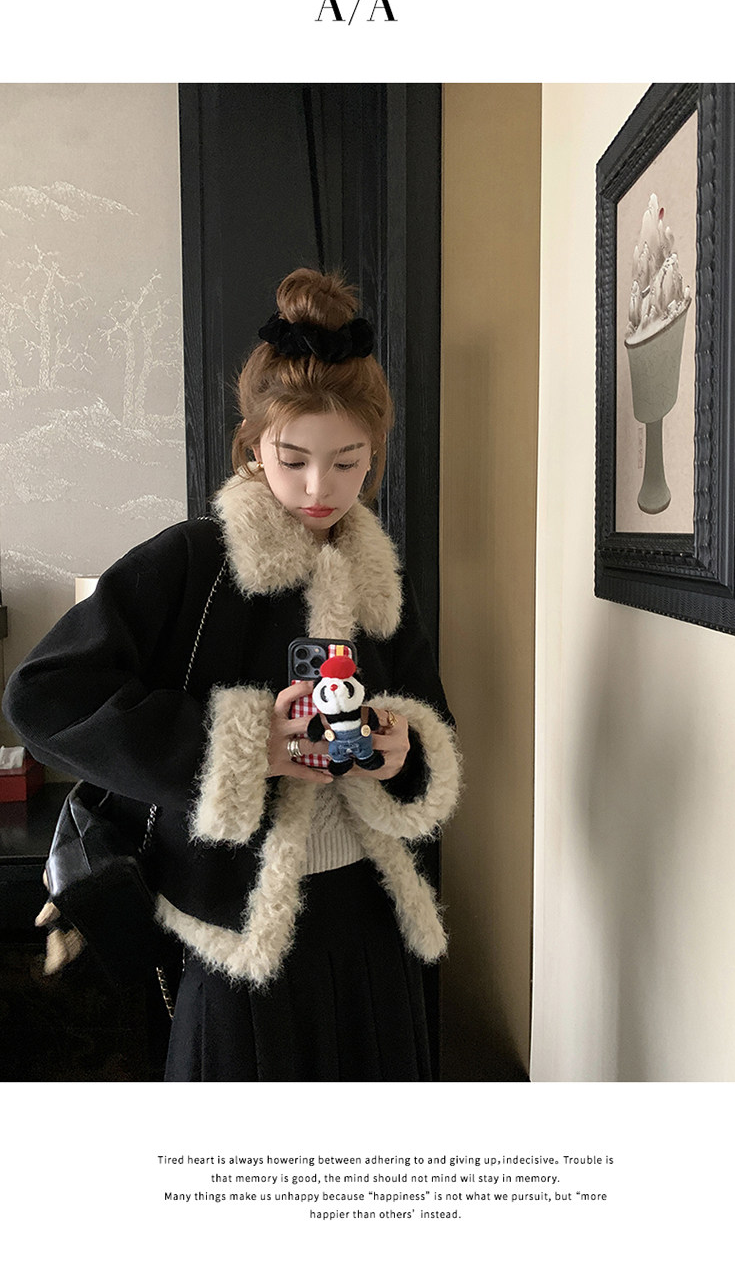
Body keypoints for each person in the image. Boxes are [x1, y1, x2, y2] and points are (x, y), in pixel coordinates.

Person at [3, 268, 461, 1082]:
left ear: (374, 455)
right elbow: (42, 695)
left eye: (348, 462)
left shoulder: (383, 582)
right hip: (233, 938)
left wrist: (401, 749)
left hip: (372, 925)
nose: (320, 488)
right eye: (293, 458)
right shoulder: (196, 562)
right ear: (253, 445)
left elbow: (433, 730)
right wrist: (245, 745)